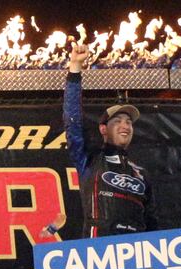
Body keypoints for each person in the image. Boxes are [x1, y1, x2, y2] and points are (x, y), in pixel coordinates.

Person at [64, 43, 157, 238]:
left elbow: (151, 222)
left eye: (129, 122)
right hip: (99, 247)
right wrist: (75, 68)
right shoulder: (89, 159)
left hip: (137, 249)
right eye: (118, 121)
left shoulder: (141, 173)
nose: (125, 125)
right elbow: (73, 122)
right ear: (103, 129)